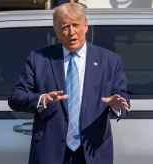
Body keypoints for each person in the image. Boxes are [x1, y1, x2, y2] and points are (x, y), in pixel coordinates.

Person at [8, 2, 130, 164]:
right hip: (50, 153)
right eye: (65, 27)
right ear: (57, 31)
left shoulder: (109, 60)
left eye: (76, 25)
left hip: (92, 152)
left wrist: (117, 105)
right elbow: (16, 97)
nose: (71, 32)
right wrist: (41, 99)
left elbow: (122, 98)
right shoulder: (39, 59)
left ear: (85, 26)